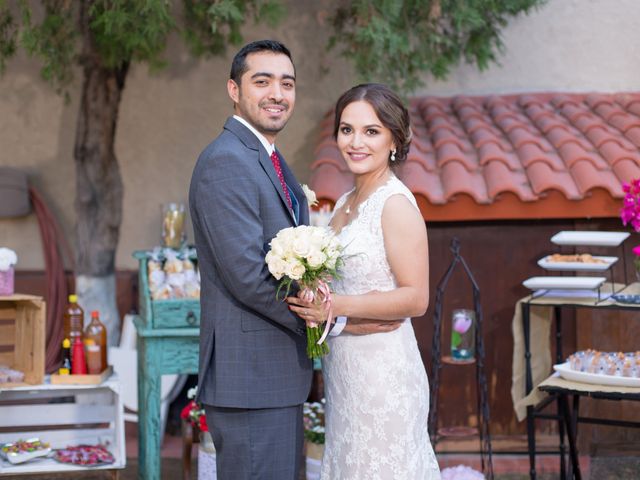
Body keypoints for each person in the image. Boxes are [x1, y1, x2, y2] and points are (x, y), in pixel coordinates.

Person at [287, 83, 441, 479]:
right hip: (345, 373)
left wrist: (336, 307)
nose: (355, 142)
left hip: (384, 376)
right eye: (347, 129)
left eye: (371, 131)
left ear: (394, 139)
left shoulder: (395, 204)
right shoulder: (343, 204)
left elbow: (415, 298)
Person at [188, 40, 311, 480]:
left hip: (269, 375)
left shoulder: (267, 159)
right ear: (234, 89)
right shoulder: (227, 161)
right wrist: (313, 319)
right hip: (251, 376)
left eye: (286, 83)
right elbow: (247, 274)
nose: (277, 93)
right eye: (262, 81)